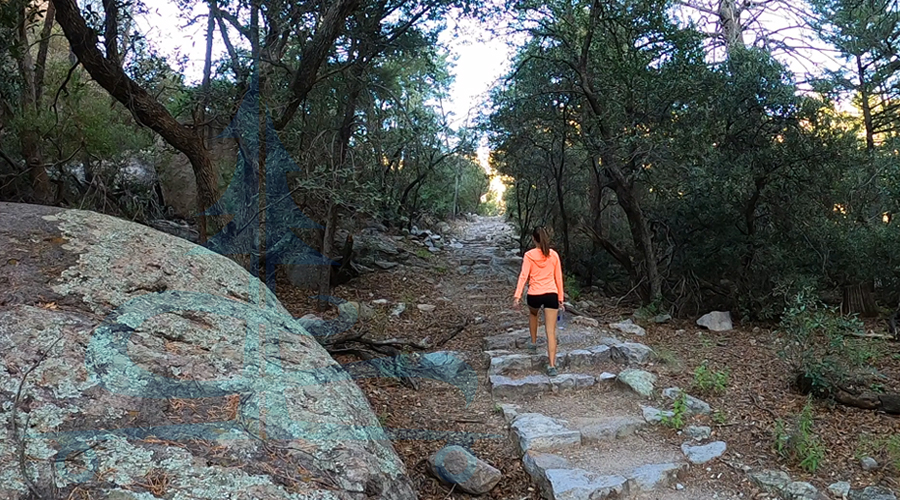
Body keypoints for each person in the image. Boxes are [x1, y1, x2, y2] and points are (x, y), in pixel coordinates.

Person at [513, 226, 565, 377]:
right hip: (551, 294)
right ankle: (552, 365)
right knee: (551, 331)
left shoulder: (529, 255)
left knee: (533, 314)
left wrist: (517, 296)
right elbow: (558, 278)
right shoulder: (554, 255)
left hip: (534, 294)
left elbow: (523, 276)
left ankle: (533, 342)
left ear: (534, 239)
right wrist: (560, 299)